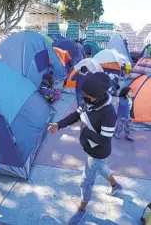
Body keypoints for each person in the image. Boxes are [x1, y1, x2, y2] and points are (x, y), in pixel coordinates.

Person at [48, 72, 122, 225]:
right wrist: (58, 125)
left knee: (86, 182)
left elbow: (104, 140)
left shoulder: (109, 114)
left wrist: (84, 131)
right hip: (92, 152)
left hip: (99, 152)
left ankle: (81, 210)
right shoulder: (89, 103)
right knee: (100, 168)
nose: (84, 97)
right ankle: (115, 185)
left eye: (87, 95)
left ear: (98, 95)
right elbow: (76, 115)